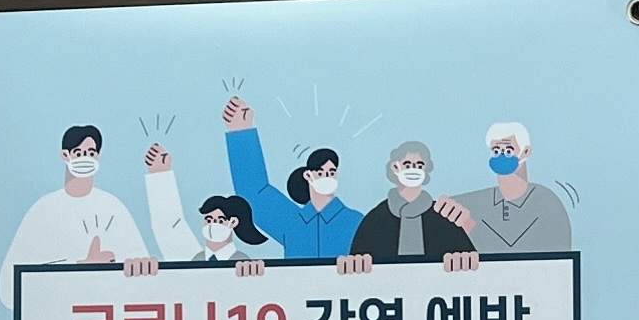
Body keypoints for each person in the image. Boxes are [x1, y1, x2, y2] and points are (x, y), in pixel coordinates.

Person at [0, 122, 165, 302]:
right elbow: (8, 289)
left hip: (106, 313)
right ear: (65, 155)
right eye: (78, 153)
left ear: (98, 156)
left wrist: (139, 269)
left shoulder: (113, 208)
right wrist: (80, 268)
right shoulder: (43, 210)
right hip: (57, 315)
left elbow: (145, 281)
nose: (85, 158)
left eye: (91, 153)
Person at [222, 94, 360, 262]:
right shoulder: (292, 222)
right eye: (320, 172)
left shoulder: (355, 221)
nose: (327, 177)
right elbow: (253, 192)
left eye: (331, 172)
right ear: (308, 175)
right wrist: (241, 132)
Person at [347, 142, 478, 269]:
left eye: (419, 165)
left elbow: (469, 258)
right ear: (395, 167)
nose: (413, 169)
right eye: (407, 165)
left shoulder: (442, 216)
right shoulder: (376, 219)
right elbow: (357, 262)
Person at [444, 122, 571, 253]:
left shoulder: (547, 202)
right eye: (496, 151)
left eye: (508, 151)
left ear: (526, 152)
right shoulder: (475, 202)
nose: (501, 156)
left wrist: (470, 225)